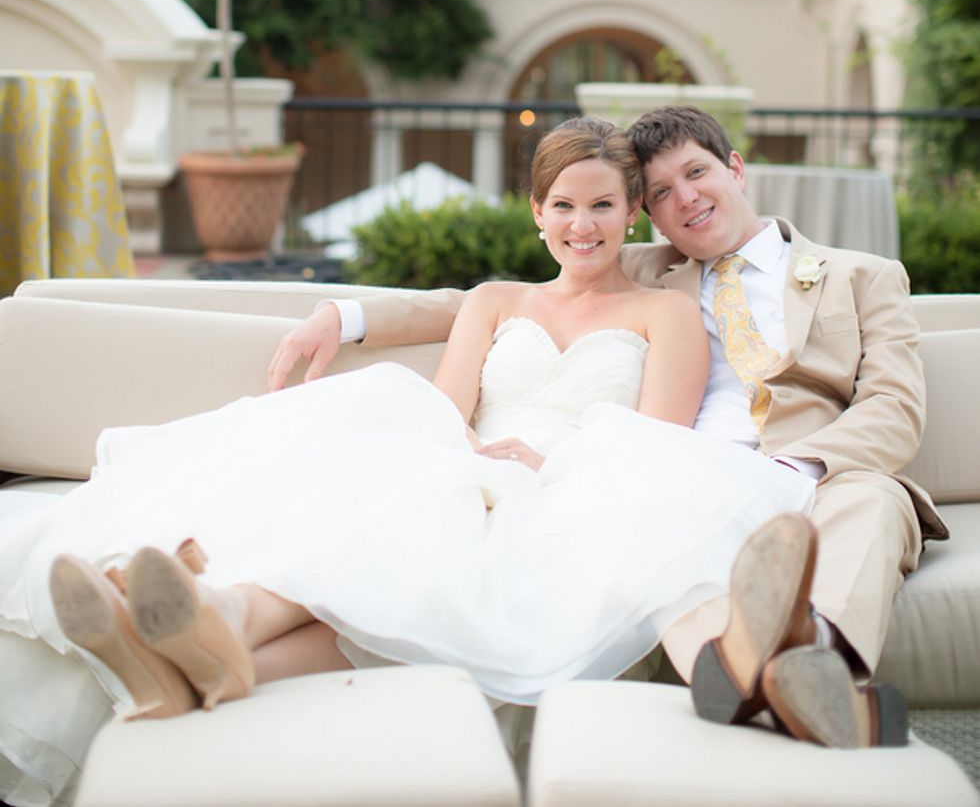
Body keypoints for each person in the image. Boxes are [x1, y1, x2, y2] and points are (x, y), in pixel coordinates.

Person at [0, 117, 814, 802]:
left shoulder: (664, 314)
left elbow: (656, 443)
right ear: (537, 212)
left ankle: (187, 641)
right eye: (564, 205)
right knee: (396, 502)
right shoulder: (495, 301)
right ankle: (208, 624)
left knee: (421, 556)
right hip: (464, 462)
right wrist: (473, 457)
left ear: (633, 212)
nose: (583, 225)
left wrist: (544, 463)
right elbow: (444, 413)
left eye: (603, 204)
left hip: (575, 488)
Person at [270, 105, 944, 749]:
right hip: (672, 476)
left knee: (875, 496)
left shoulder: (863, 277)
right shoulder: (647, 271)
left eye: (697, 173)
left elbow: (894, 407)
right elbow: (492, 303)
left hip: (816, 474)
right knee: (639, 517)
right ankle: (782, 681)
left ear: (735, 168)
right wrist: (347, 317)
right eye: (662, 192)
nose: (686, 198)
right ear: (645, 213)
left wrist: (793, 469)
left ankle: (817, 667)